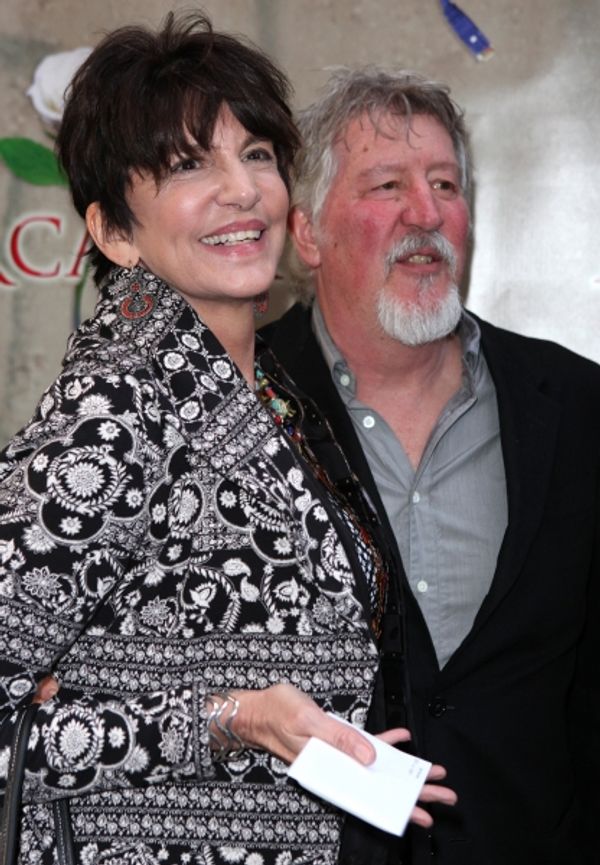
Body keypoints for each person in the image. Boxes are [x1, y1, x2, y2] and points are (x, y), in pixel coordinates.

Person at [0, 24, 456, 865]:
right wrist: (224, 720)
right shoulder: (114, 413)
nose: (241, 190)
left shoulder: (269, 392)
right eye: (187, 166)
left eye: (255, 153)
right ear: (112, 232)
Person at [262, 66, 600, 865]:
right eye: (387, 186)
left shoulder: (578, 406)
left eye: (445, 183)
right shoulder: (239, 401)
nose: (428, 214)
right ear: (308, 233)